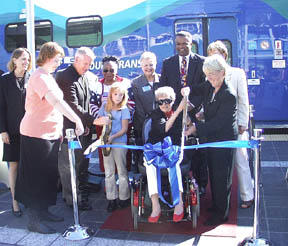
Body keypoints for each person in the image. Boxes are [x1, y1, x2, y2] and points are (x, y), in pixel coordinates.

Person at [14, 42, 85, 234]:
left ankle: (43, 212)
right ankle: (34, 219)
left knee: (47, 177)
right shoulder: (39, 77)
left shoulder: (48, 76)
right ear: (46, 56)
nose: (59, 62)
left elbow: (54, 106)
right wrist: (76, 119)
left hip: (49, 135)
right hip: (36, 134)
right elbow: (56, 101)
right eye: (57, 58)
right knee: (36, 178)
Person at [185, 54, 238, 226]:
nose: (209, 79)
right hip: (211, 139)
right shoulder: (209, 85)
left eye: (212, 75)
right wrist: (187, 90)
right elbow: (197, 88)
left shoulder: (229, 94)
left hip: (223, 140)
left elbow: (218, 123)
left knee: (222, 177)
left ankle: (221, 213)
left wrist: (195, 128)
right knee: (213, 174)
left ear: (222, 72)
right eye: (207, 75)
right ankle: (216, 206)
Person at [56, 47, 107, 210]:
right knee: (68, 166)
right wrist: (93, 121)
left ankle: (80, 192)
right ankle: (72, 199)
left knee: (81, 163)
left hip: (82, 128)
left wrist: (86, 125)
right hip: (68, 129)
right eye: (86, 63)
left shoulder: (83, 76)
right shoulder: (65, 76)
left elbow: (85, 102)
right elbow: (72, 105)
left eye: (90, 64)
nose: (88, 67)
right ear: (76, 59)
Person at [159, 30, 208, 195]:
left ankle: (200, 186)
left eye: (184, 44)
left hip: (195, 115)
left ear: (191, 43)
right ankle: (173, 186)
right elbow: (164, 89)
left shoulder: (202, 62)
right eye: (178, 44)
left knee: (197, 153)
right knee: (174, 150)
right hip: (174, 115)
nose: (181, 47)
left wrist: (190, 106)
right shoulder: (168, 63)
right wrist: (174, 110)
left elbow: (204, 89)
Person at [207, 40, 254, 209]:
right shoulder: (208, 74)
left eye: (217, 55)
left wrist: (243, 122)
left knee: (241, 159)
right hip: (218, 128)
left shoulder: (237, 73)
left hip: (236, 126)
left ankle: (247, 195)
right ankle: (220, 200)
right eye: (210, 56)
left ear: (225, 56)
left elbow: (243, 100)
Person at [144, 86, 187, 223]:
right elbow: (164, 128)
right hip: (155, 147)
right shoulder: (156, 114)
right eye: (160, 102)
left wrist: (189, 131)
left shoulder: (181, 113)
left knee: (174, 164)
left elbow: (191, 124)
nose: (164, 104)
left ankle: (179, 203)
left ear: (173, 100)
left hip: (173, 147)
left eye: (167, 101)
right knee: (150, 167)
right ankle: (155, 206)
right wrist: (179, 110)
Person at [0, 48, 32, 217]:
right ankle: (14, 202)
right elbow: (1, 107)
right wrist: (2, 130)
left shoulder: (31, 78)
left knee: (27, 166)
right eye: (23, 59)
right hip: (11, 131)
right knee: (14, 166)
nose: (26, 62)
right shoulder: (4, 80)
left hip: (29, 130)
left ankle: (26, 197)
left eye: (27, 59)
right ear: (14, 61)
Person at [90, 56, 134, 172]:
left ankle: (124, 179)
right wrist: (101, 118)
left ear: (117, 70)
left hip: (122, 125)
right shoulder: (97, 85)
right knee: (106, 154)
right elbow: (92, 104)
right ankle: (108, 179)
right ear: (102, 70)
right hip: (104, 125)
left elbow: (131, 103)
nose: (108, 73)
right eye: (105, 70)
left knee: (123, 155)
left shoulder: (125, 83)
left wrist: (122, 115)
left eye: (112, 70)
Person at [97, 82, 131, 212]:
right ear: (110, 94)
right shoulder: (105, 107)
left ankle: (124, 197)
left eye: (120, 95)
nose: (118, 97)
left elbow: (124, 129)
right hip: (106, 142)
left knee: (122, 170)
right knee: (109, 171)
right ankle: (111, 199)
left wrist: (112, 137)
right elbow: (99, 121)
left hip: (119, 142)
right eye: (115, 94)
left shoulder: (124, 109)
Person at [131, 51, 160, 168]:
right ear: (141, 66)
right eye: (146, 65)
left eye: (151, 64)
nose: (149, 68)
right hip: (142, 124)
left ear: (156, 65)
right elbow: (138, 106)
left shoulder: (162, 80)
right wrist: (148, 122)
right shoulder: (136, 83)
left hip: (161, 123)